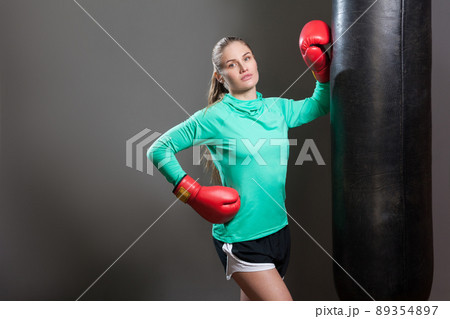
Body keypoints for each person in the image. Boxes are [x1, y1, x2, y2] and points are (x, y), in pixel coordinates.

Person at [147, 20, 332, 301]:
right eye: (232, 64)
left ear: (255, 61)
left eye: (247, 58)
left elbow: (321, 103)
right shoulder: (214, 117)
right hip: (242, 238)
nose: (244, 67)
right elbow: (158, 149)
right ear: (220, 77)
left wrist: (322, 72)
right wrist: (192, 194)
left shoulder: (277, 109)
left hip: (280, 232)